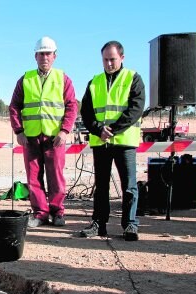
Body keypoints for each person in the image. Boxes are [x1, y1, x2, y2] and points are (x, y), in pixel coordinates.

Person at [8, 36, 78, 228]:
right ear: (35, 56)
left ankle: (58, 212)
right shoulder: (25, 79)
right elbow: (14, 106)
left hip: (54, 138)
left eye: (48, 54)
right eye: (41, 54)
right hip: (31, 138)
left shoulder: (63, 79)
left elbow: (72, 106)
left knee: (55, 176)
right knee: (33, 177)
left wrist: (64, 131)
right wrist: (19, 131)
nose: (44, 57)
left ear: (54, 56)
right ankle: (40, 213)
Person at [79, 40, 145, 241]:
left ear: (122, 58)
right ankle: (99, 224)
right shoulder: (95, 82)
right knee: (101, 186)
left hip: (124, 141)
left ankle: (130, 225)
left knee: (129, 186)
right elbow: (87, 111)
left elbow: (135, 108)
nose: (108, 63)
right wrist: (99, 130)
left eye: (112, 59)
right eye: (105, 60)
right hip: (101, 142)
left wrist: (113, 130)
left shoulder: (133, 78)